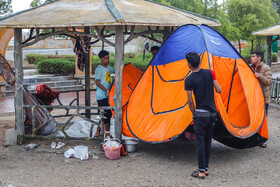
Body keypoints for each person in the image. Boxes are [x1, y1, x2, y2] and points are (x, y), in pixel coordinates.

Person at [185, 52, 222, 179]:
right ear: (199, 62)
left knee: (200, 142)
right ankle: (205, 169)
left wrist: (194, 113)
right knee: (207, 141)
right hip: (212, 114)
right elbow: (219, 89)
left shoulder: (189, 79)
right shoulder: (210, 73)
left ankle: (201, 171)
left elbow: (190, 101)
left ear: (189, 64)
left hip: (200, 115)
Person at [250, 51, 272, 148]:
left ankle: (262, 140)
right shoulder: (250, 68)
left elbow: (269, 82)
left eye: (253, 56)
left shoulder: (266, 68)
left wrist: (260, 76)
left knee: (262, 120)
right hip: (253, 98)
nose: (251, 58)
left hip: (263, 99)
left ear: (259, 58)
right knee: (253, 118)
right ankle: (254, 137)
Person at [95, 50, 114, 139]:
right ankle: (99, 131)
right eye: (105, 58)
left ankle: (107, 133)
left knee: (108, 115)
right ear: (101, 59)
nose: (108, 60)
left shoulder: (110, 68)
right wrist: (106, 89)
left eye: (108, 58)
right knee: (103, 115)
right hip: (101, 96)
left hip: (108, 96)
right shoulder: (98, 69)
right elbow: (97, 82)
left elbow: (116, 73)